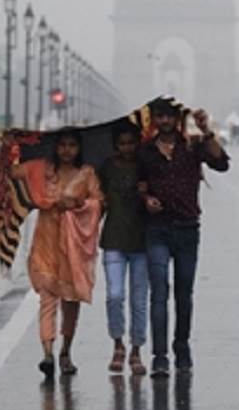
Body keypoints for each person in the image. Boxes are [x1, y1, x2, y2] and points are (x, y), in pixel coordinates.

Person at [138, 100, 231, 377]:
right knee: (159, 293)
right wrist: (146, 199)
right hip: (157, 229)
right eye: (159, 116)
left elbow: (222, 164)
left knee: (183, 295)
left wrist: (207, 130)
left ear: (177, 119)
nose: (164, 120)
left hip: (188, 229)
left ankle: (182, 347)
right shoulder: (145, 152)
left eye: (169, 116)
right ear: (154, 119)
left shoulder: (193, 145)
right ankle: (159, 356)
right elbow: (140, 185)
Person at [11, 128, 104, 378]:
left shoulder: (86, 174)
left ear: (78, 148)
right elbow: (13, 172)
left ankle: (66, 351)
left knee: (71, 302)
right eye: (62, 145)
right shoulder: (43, 170)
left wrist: (78, 205)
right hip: (46, 242)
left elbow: (98, 203)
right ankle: (47, 353)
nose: (66, 150)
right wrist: (12, 146)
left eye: (72, 145)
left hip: (74, 249)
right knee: (47, 299)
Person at [98, 121, 149, 376]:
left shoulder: (146, 165)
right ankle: (118, 343)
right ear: (115, 145)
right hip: (113, 240)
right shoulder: (105, 167)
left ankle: (136, 349)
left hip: (142, 242)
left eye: (131, 143)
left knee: (139, 301)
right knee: (114, 296)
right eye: (122, 144)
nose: (127, 148)